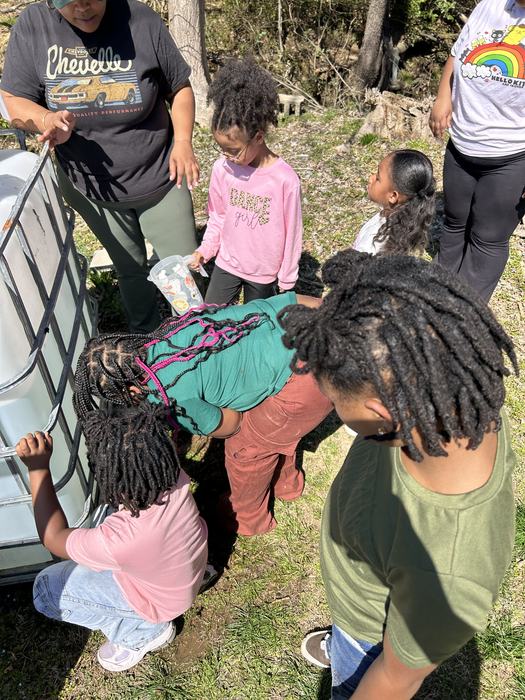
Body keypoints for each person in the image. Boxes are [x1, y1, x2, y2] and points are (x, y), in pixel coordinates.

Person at [278, 249, 517, 699]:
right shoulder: (452, 396)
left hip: (368, 637)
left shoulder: (450, 574)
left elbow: (394, 679)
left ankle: (346, 652)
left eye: (336, 403)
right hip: (362, 586)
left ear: (382, 411)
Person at [1, 0, 200, 332]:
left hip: (160, 176)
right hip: (90, 186)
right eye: (68, 2)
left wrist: (182, 141)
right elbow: (13, 99)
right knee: (130, 268)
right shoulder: (34, 25)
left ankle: (199, 334)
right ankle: (146, 339)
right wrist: (46, 118)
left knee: (184, 268)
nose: (82, 8)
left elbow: (179, 88)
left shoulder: (140, 20)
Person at [73, 292, 333, 536]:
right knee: (274, 431)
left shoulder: (168, 397)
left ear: (129, 390)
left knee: (248, 449)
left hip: (308, 379)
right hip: (310, 328)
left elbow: (233, 424)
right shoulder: (176, 331)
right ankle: (286, 484)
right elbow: (285, 301)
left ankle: (248, 518)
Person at [15, 405, 208, 673]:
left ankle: (142, 632)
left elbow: (53, 537)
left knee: (46, 589)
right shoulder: (171, 473)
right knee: (104, 525)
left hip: (162, 601)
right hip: (184, 571)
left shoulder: (120, 540)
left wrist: (38, 468)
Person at [429, 0, 525, 302]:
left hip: (511, 155)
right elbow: (457, 55)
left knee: (487, 237)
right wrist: (443, 96)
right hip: (461, 144)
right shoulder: (491, 4)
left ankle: (463, 312)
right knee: (455, 220)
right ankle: (435, 293)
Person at [189, 57, 303, 305]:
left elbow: (292, 232)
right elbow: (217, 217)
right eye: (222, 149)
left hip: (263, 274)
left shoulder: (285, 180)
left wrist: (286, 280)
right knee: (210, 321)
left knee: (255, 328)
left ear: (258, 137)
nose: (227, 156)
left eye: (234, 150)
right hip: (227, 263)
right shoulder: (222, 169)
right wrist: (205, 250)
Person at [353, 149, 435, 256]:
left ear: (393, 196)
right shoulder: (399, 221)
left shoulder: (372, 247)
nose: (370, 178)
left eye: (378, 178)